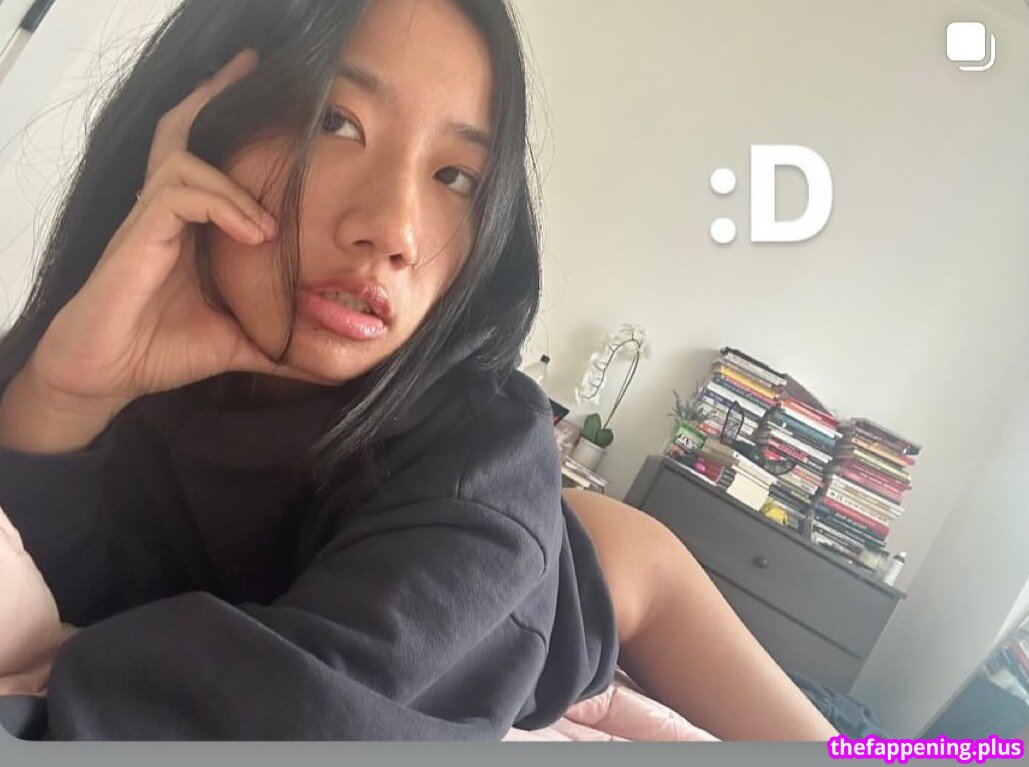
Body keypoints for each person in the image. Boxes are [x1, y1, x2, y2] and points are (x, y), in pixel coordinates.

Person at [0, 0, 835, 741]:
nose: (394, 229)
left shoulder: (485, 469)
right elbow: (58, 578)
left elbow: (306, 721)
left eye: (454, 176)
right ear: (197, 123)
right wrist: (62, 397)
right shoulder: (114, 347)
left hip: (607, 574)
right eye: (335, 121)